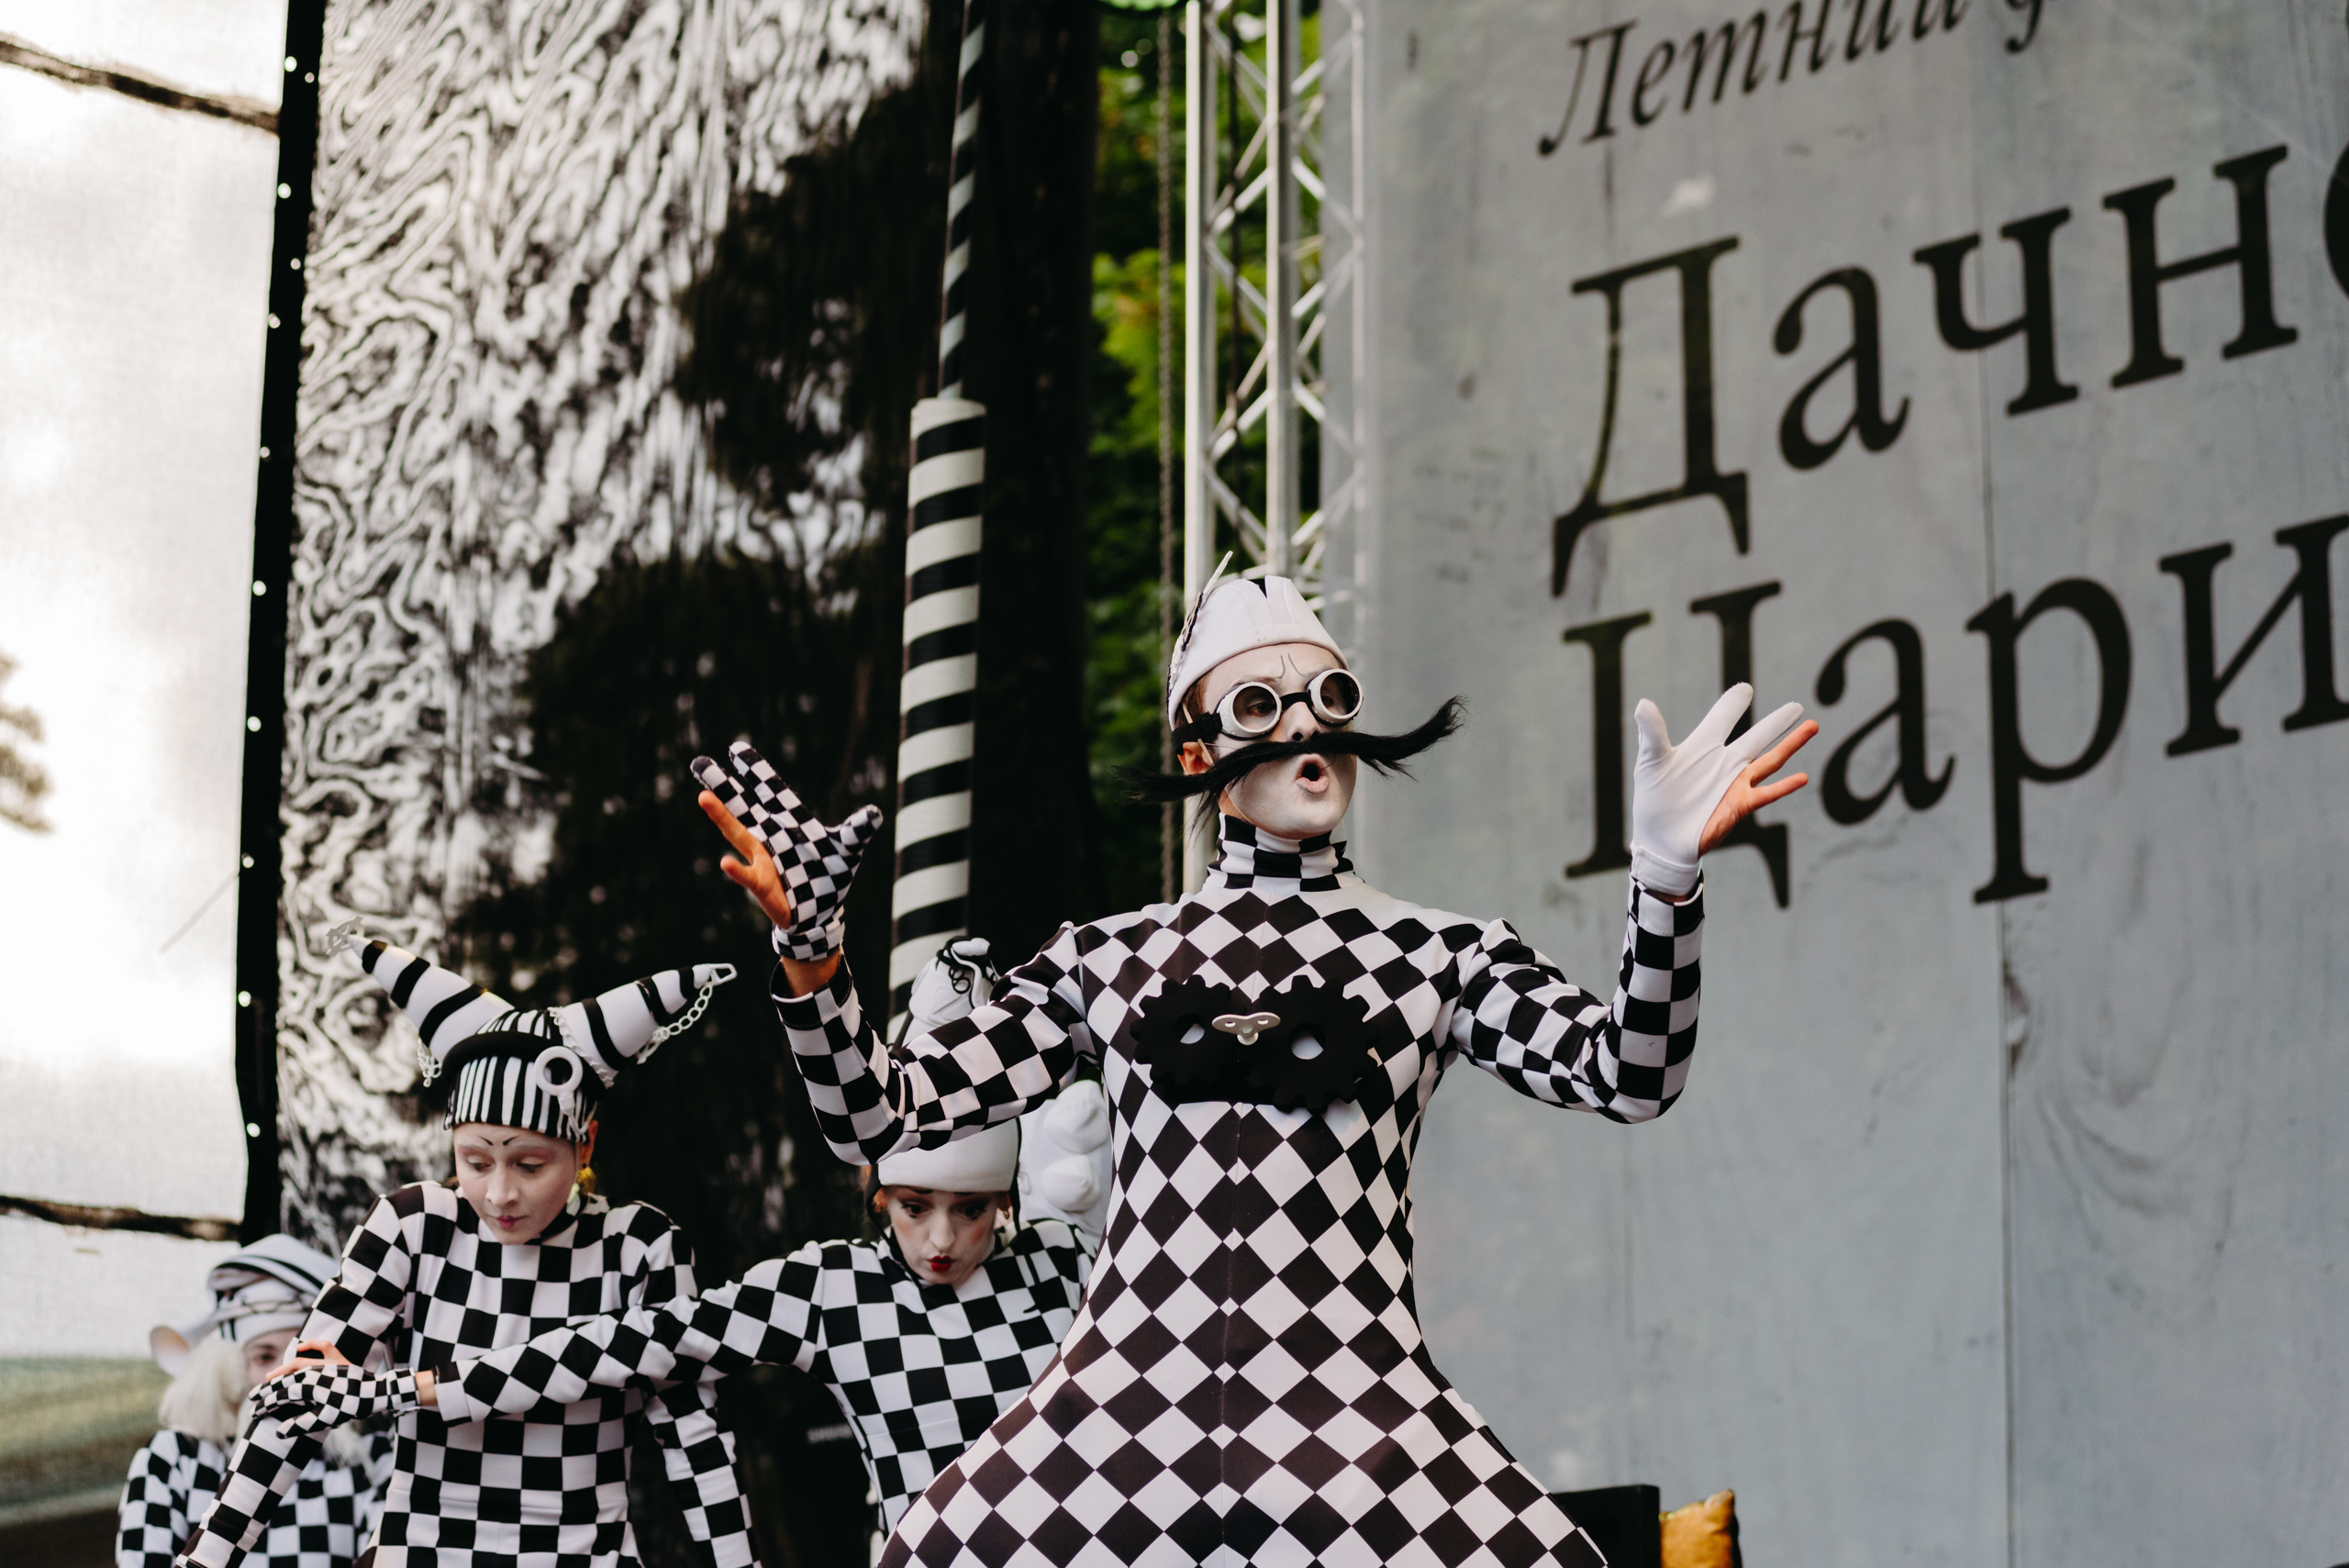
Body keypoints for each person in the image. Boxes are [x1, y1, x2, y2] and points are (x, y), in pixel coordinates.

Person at [266, 571, 1816, 1568]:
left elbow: (1627, 1071)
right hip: (1123, 1402)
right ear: (1200, 738)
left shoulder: (1432, 952)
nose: (1311, 725)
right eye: (1264, 700)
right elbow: (882, 1113)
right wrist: (811, 958)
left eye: (1329, 694)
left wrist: (1664, 885)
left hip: (1352, 1399)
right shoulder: (1112, 955)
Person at [250, 941, 1104, 1547]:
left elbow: (675, 1410)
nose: (943, 1239)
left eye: (975, 1208)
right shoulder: (832, 1288)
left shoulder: (1066, 1262)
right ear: (878, 1195)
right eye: (916, 1205)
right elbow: (609, 1352)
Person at [173, 938, 759, 1568]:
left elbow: (693, 1435)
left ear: (585, 1144)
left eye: (530, 1163)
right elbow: (294, 1406)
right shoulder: (412, 1224)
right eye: (475, 1160)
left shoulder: (637, 1247)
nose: (500, 1191)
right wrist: (205, 1560)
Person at [120, 1236, 393, 1568]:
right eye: (264, 1357)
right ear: (234, 1369)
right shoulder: (174, 1459)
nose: (284, 1374)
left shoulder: (368, 1461)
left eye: (301, 1356)